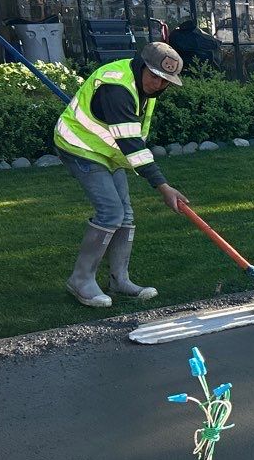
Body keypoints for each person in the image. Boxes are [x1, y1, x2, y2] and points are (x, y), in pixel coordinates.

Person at [53, 41, 188, 307]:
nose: (159, 85)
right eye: (155, 77)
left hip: (108, 152)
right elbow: (132, 146)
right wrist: (163, 187)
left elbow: (130, 140)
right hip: (80, 147)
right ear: (141, 67)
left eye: (165, 81)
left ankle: (119, 280)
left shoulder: (143, 87)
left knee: (124, 214)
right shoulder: (117, 89)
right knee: (111, 212)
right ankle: (80, 281)